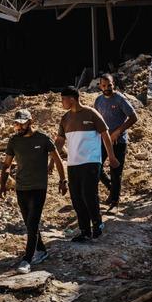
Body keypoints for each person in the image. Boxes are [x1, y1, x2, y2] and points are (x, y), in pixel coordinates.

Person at [1, 109, 66, 273]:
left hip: (38, 187)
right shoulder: (14, 141)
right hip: (21, 188)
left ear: (30, 122)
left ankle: (27, 259)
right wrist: (2, 184)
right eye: (16, 124)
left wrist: (62, 180)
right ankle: (42, 251)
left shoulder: (43, 139)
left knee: (32, 222)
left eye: (22, 123)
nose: (19, 127)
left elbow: (57, 159)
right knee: (29, 223)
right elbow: (7, 164)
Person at [56, 86, 118, 241]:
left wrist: (111, 156)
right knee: (76, 198)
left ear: (72, 99)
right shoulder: (65, 118)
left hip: (90, 161)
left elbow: (105, 134)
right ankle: (84, 231)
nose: (62, 102)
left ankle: (97, 223)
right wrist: (52, 161)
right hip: (73, 163)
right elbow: (59, 141)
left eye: (63, 99)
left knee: (88, 194)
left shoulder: (91, 113)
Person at [94, 74, 137, 209]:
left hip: (119, 141)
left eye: (109, 85)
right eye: (104, 85)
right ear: (100, 86)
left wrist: (118, 132)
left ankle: (115, 201)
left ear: (114, 84)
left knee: (115, 171)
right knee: (97, 168)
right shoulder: (98, 101)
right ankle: (112, 188)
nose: (107, 88)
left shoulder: (120, 99)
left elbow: (133, 117)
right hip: (103, 140)